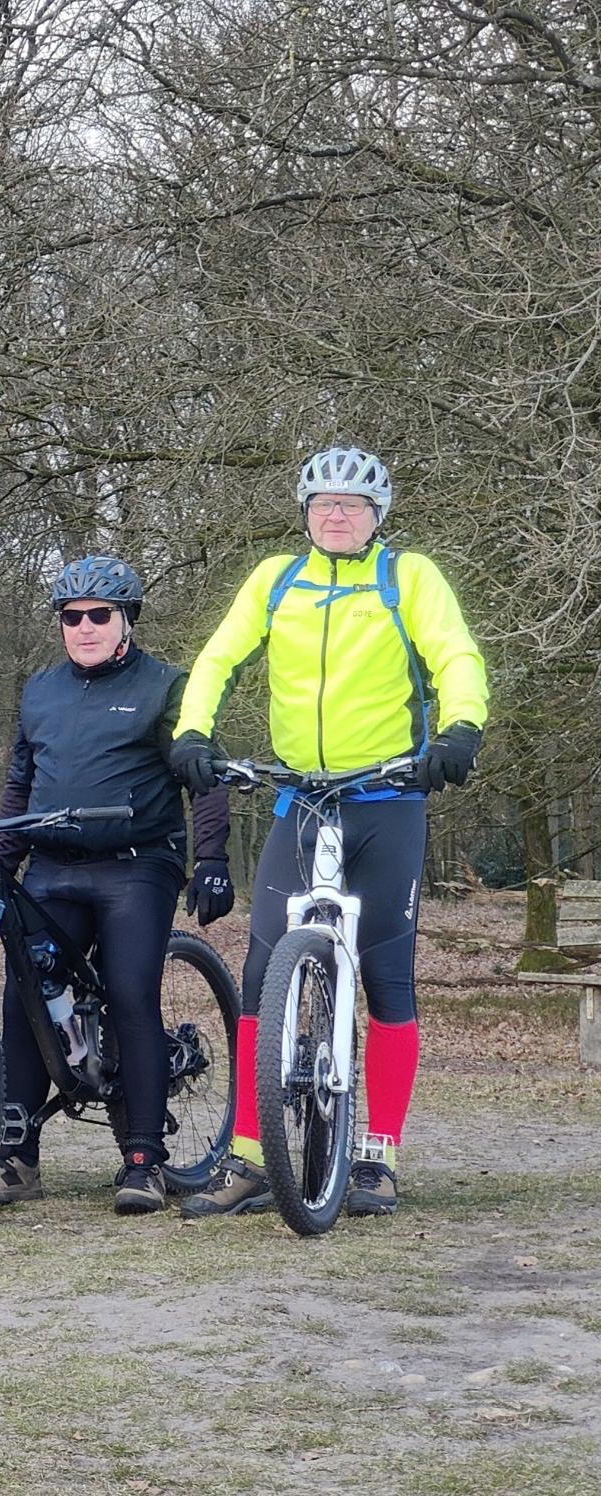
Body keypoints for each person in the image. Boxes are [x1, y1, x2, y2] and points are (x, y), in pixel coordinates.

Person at [171, 446, 489, 1219]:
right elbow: (218, 658)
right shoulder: (277, 579)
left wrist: (459, 733)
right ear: (306, 514)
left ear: (377, 517)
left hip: (387, 797)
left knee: (387, 975)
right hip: (300, 798)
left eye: (351, 505)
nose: (336, 515)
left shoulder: (408, 577)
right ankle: (251, 1156)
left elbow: (456, 656)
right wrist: (192, 731)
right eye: (323, 505)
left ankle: (376, 1158)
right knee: (259, 977)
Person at [0, 556, 234, 1215]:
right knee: (25, 996)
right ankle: (15, 1157)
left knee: (128, 992)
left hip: (136, 864)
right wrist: (2, 857)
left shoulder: (165, 686)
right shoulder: (40, 691)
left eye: (99, 615)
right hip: (54, 866)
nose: (84, 627)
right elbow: (19, 781)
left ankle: (144, 1159)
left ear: (126, 621)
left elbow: (205, 775)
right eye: (72, 616)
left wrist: (211, 859)